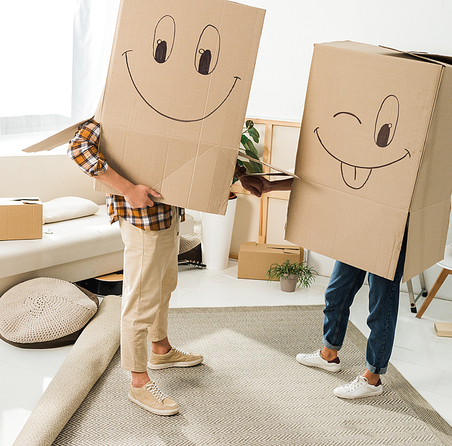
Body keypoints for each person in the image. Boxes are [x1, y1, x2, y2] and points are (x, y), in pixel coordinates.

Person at [68, 119, 203, 416]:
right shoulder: (117, 106)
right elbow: (79, 148)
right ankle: (138, 382)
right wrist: (127, 188)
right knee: (140, 299)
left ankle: (161, 350)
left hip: (168, 213)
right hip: (141, 219)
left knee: (165, 286)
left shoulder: (170, 106)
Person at [240, 173, 407, 399]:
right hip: (360, 223)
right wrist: (272, 185)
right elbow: (328, 173)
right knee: (336, 293)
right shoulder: (357, 145)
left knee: (380, 306)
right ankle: (329, 354)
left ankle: (373, 378)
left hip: (392, 229)